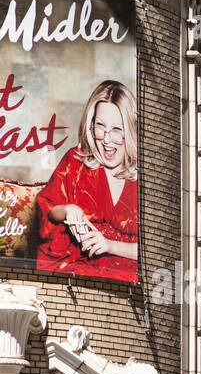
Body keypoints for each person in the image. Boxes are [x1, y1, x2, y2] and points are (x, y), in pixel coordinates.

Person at [34, 79, 139, 282]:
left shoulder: (147, 181)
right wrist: (67, 209)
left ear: (131, 130)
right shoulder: (75, 161)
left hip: (126, 282)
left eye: (117, 129)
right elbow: (48, 209)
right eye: (100, 126)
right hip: (74, 274)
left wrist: (108, 245)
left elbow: (159, 253)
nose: (107, 139)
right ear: (91, 126)